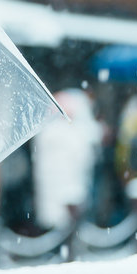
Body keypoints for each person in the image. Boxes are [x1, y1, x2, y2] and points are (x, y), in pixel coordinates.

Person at [31, 89, 102, 229]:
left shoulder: (47, 129)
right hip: (69, 186)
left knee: (56, 222)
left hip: (57, 187)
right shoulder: (71, 131)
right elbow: (83, 154)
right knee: (68, 222)